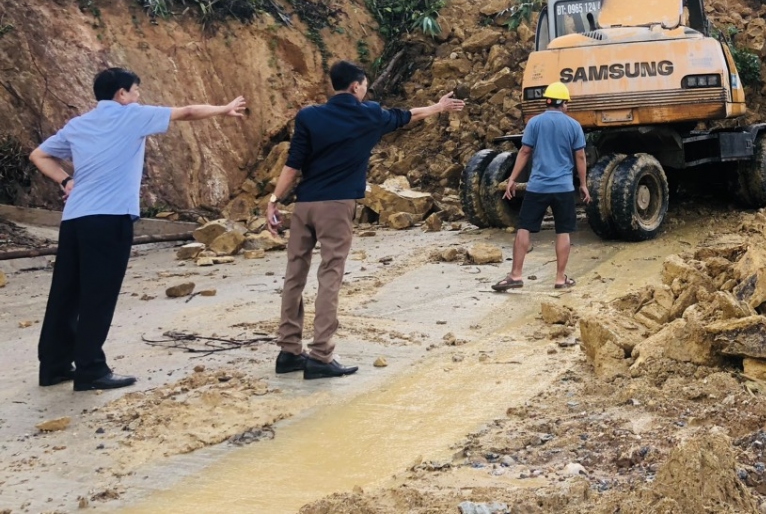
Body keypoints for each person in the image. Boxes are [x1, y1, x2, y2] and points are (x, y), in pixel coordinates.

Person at [29, 67, 247, 391]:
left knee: (66, 292)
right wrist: (224, 109)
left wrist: (66, 180)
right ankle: (90, 370)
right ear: (121, 94)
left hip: (74, 219)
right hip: (109, 218)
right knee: (98, 295)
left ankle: (54, 366)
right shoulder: (131, 116)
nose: (138, 96)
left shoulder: (79, 124)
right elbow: (186, 112)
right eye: (135, 91)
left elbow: (39, 154)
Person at [267, 60, 465, 380]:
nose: (366, 90)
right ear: (356, 86)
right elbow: (409, 115)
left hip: (304, 207)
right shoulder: (368, 114)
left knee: (294, 276)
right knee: (329, 275)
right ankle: (320, 355)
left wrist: (274, 201)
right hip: (336, 207)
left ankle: (289, 352)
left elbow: (292, 165)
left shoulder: (308, 116)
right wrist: (439, 107)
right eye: (365, 85)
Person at [492, 81, 588, 293]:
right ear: (562, 103)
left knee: (524, 228)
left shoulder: (535, 123)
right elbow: (580, 156)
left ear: (547, 102)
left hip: (538, 187)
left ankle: (516, 275)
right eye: (567, 103)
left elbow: (525, 152)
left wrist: (512, 179)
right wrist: (583, 184)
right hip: (563, 188)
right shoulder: (573, 126)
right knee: (563, 232)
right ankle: (560, 279)